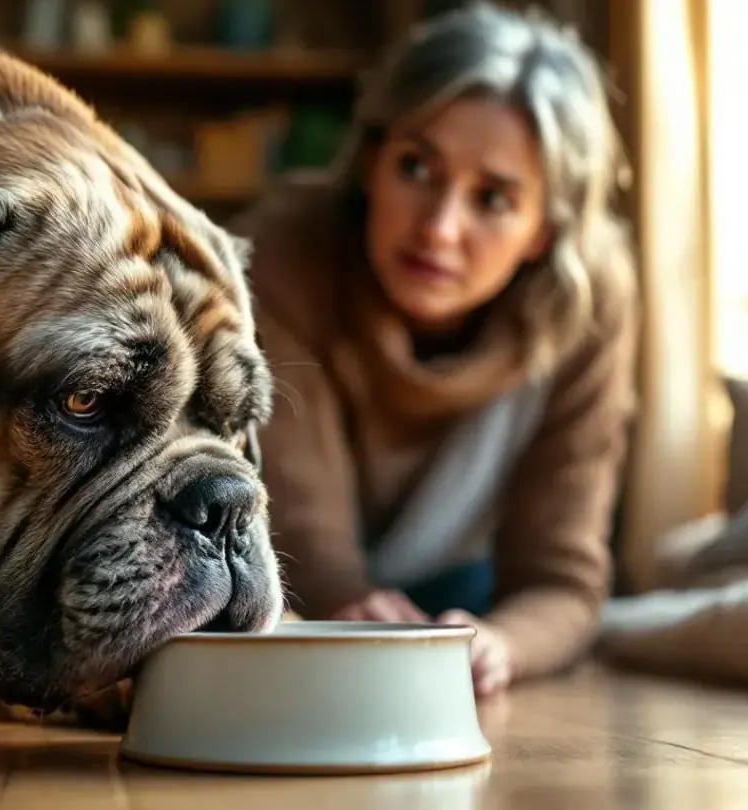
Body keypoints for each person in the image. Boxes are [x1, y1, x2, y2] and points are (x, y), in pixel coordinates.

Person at [232, 1, 639, 697]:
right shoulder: (285, 250)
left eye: (494, 199)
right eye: (416, 167)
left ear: (544, 230)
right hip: (283, 583)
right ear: (370, 160)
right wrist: (343, 602)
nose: (440, 229)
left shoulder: (590, 298)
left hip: (466, 592)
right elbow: (294, 523)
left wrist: (501, 643)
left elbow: (563, 579)